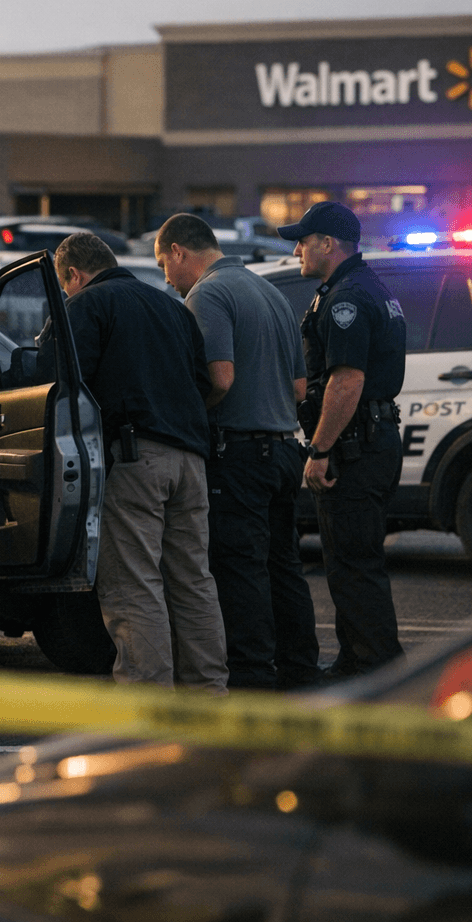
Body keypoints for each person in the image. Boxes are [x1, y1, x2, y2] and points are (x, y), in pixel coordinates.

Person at [54, 231, 227, 691]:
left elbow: (64, 384)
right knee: (194, 582)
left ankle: (148, 703)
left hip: (134, 460)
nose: (68, 292)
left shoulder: (87, 305)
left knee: (133, 587)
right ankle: (209, 694)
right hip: (191, 460)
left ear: (74, 274)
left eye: (66, 284)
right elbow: (202, 381)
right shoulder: (173, 307)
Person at [155, 214, 321, 690]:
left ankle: (250, 675)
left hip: (241, 455)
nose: (167, 277)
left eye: (164, 264)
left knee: (239, 567)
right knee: (284, 565)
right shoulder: (270, 292)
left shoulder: (207, 294)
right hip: (284, 449)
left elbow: (220, 377)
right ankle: (299, 668)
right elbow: (299, 386)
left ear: (179, 252)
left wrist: (190, 411)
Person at [279, 201, 407, 679]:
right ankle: (358, 661)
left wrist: (321, 449)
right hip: (370, 440)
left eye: (303, 240)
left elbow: (347, 381)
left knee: (355, 567)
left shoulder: (347, 298)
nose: (297, 250)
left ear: (327, 244)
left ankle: (379, 674)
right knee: (349, 562)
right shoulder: (364, 286)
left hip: (355, 446)